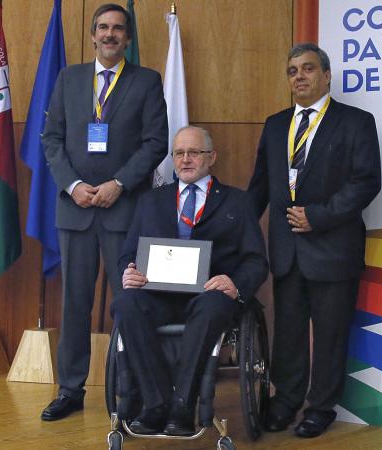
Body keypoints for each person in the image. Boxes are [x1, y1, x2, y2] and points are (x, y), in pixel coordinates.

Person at [40, 3, 168, 421]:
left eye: (118, 29)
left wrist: (119, 184)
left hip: (124, 208)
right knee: (74, 305)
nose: (110, 34)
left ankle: (131, 390)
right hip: (75, 209)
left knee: (130, 303)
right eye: (103, 28)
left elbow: (155, 143)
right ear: (93, 35)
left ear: (127, 39)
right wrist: (74, 185)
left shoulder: (147, 81)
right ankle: (70, 390)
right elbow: (52, 139)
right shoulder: (68, 78)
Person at [248, 43, 381, 438]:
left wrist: (318, 216)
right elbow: (259, 188)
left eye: (307, 69)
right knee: (287, 333)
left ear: (326, 76)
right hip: (286, 250)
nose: (299, 77)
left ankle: (321, 407)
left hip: (333, 248)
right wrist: (233, 230)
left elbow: (365, 181)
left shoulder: (356, 122)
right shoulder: (275, 125)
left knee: (329, 334)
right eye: (292, 71)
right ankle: (286, 401)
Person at [110, 126, 269, 436]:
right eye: (179, 153)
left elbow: (256, 260)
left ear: (211, 157)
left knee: (212, 306)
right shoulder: (150, 201)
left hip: (209, 295)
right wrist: (128, 271)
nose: (185, 160)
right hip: (157, 295)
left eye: (193, 153)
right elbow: (126, 253)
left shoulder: (238, 202)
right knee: (125, 304)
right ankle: (156, 404)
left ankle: (183, 405)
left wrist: (234, 283)